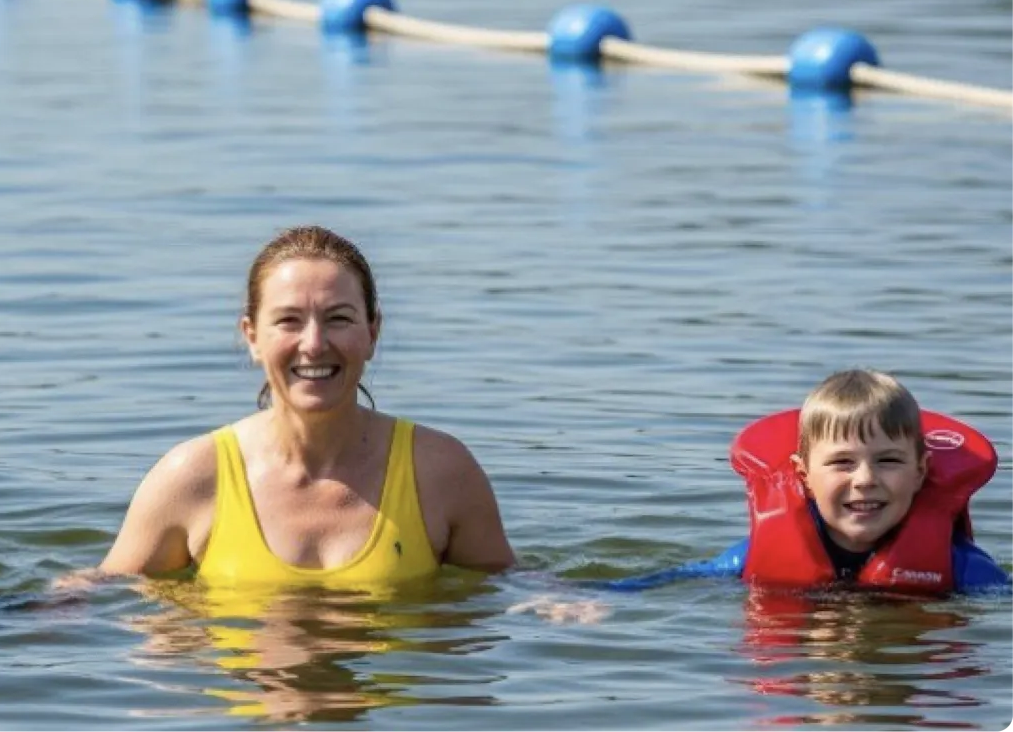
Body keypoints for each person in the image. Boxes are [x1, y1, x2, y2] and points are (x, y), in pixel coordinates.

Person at [57, 225, 514, 590]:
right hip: (251, 700)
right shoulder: (193, 477)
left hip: (391, 709)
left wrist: (567, 603)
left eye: (339, 319)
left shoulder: (440, 471)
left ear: (373, 333)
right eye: (289, 321)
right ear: (251, 336)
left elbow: (508, 585)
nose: (314, 345)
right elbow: (107, 592)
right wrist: (8, 615)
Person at [609, 369, 1006, 594]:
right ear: (804, 476)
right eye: (842, 463)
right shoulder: (751, 556)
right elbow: (668, 581)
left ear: (921, 471)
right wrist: (587, 596)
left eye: (888, 461)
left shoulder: (964, 569)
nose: (865, 479)